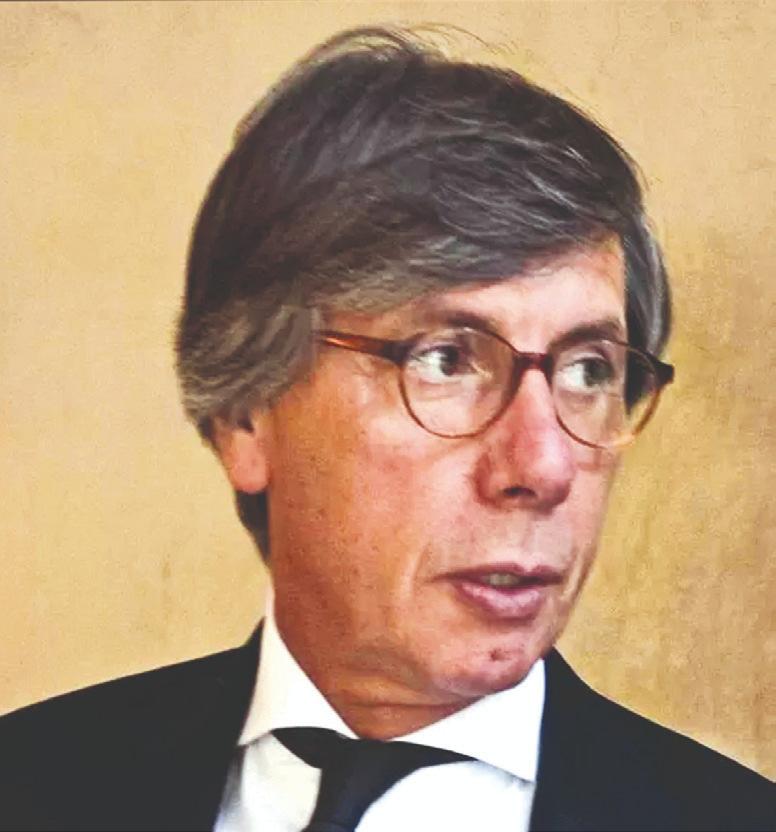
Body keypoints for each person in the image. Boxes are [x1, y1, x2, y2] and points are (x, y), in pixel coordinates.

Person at [1, 25, 773, 832]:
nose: (543, 466)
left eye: (589, 371)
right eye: (446, 359)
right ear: (246, 415)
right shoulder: (28, 784)